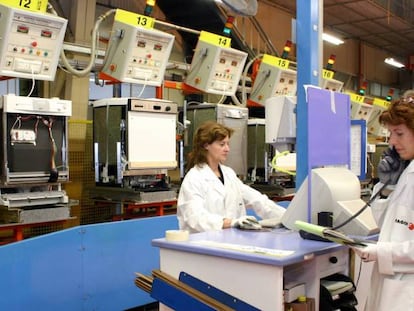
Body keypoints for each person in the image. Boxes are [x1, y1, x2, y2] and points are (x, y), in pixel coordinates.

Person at [351, 92, 414, 310]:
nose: (392, 142)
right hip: (391, 287)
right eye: (391, 134)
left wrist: (380, 251)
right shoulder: (407, 172)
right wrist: (387, 189)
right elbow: (384, 225)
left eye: (399, 133)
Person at [177, 120, 286, 233]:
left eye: (228, 144)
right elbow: (195, 218)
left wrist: (287, 217)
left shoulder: (229, 174)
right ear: (206, 145)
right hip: (204, 244)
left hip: (231, 240)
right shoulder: (194, 178)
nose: (227, 149)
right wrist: (231, 223)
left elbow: (257, 200)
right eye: (222, 144)